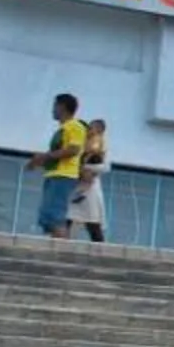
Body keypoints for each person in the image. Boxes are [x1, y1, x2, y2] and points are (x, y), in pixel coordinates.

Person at [34, 94, 87, 240]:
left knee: (55, 214)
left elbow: (73, 150)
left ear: (62, 107)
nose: (53, 110)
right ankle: (54, 245)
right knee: (48, 215)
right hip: (54, 174)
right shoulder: (64, 128)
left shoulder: (75, 126)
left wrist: (46, 156)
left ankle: (62, 250)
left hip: (64, 175)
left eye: (55, 106)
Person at [64, 117, 110, 244]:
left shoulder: (100, 147)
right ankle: (60, 246)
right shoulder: (79, 144)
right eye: (89, 127)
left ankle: (101, 252)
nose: (90, 130)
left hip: (91, 190)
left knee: (92, 223)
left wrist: (87, 169)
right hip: (77, 186)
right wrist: (79, 169)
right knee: (67, 218)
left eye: (93, 128)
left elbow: (105, 167)